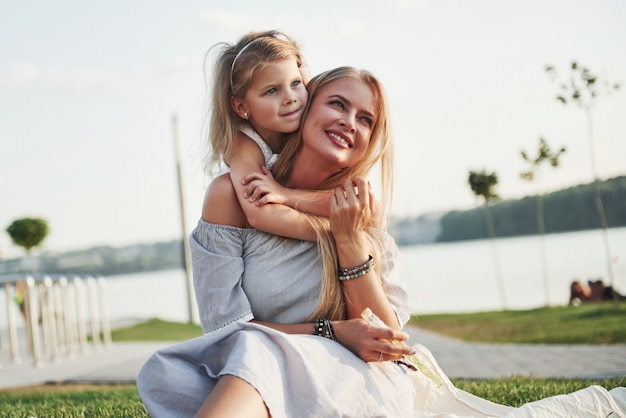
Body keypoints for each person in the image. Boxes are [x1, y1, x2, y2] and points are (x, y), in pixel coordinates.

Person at [138, 66, 626, 417]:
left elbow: (388, 339)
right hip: (255, 375)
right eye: (337, 103)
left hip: (359, 382)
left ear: (372, 141)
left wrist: (349, 240)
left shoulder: (366, 223)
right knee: (254, 352)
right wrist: (332, 330)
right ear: (305, 108)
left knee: (259, 354)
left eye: (366, 119)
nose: (351, 121)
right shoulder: (233, 196)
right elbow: (228, 330)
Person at [205, 29, 330, 241]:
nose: (290, 98)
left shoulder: (314, 130)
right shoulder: (243, 143)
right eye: (272, 91)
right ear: (241, 106)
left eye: (295, 83)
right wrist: (340, 231)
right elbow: (259, 213)